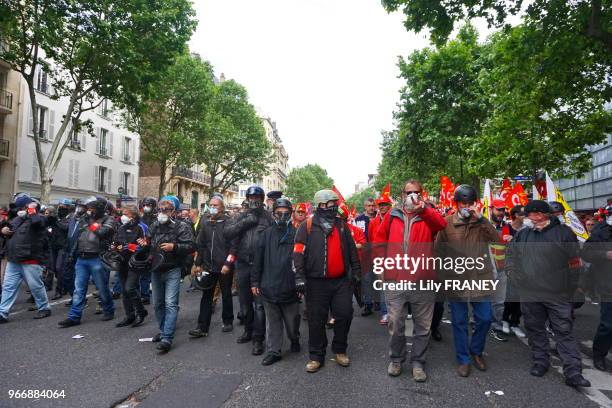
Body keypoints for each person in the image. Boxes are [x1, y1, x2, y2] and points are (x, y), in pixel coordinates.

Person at [506, 200, 591, 387]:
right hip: (530, 293)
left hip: (558, 294)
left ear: (548, 215)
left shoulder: (564, 233)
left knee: (564, 332)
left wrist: (573, 287)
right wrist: (514, 275)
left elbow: (575, 263)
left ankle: (573, 372)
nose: (534, 218)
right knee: (535, 330)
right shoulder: (523, 235)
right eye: (530, 215)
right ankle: (540, 362)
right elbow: (511, 256)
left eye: (538, 214)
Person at [375, 180, 447, 382]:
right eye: (409, 192)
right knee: (395, 324)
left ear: (421, 194)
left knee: (423, 326)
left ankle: (418, 363)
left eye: (416, 192)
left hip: (422, 280)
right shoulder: (392, 215)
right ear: (402, 194)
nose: (412, 195)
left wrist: (423, 209)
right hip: (395, 280)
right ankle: (396, 360)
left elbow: (441, 225)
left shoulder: (428, 214)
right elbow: (379, 241)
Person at [293, 189, 361, 373]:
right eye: (330, 204)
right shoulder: (306, 226)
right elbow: (298, 253)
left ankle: (339, 350)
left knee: (345, 314)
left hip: (340, 282)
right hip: (315, 283)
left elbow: (352, 250)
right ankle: (316, 356)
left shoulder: (341, 225)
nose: (333, 207)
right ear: (320, 205)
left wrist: (356, 271)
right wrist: (299, 276)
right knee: (316, 320)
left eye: (334, 204)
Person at [435, 184, 499, 378]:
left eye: (470, 203)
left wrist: (482, 220)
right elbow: (439, 252)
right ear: (456, 203)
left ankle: (476, 351)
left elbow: (497, 241)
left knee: (485, 318)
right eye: (463, 203)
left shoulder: (481, 222)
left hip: (481, 277)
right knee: (459, 321)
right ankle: (463, 359)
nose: (467, 206)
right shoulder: (445, 223)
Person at [251, 198, 301, 366]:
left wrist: (301, 283)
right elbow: (257, 260)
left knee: (292, 322)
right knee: (272, 323)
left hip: (290, 287)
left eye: (286, 214)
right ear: (273, 214)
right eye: (279, 213)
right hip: (269, 286)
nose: (282, 216)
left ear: (291, 215)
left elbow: (302, 261)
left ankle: (295, 339)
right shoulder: (265, 234)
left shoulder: (297, 234)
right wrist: (255, 282)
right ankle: (274, 350)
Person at [225, 186, 273, 356]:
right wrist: (246, 221)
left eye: (257, 197)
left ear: (262, 198)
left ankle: (258, 339)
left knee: (259, 305)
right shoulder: (241, 216)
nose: (254, 200)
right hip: (243, 265)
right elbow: (228, 233)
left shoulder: (269, 218)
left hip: (261, 268)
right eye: (251, 197)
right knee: (245, 304)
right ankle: (248, 330)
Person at [145, 195, 195, 353]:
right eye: (160, 209)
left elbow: (190, 246)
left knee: (171, 304)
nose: (162, 212)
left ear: (173, 211)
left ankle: (167, 337)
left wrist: (174, 247)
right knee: (158, 303)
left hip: (173, 268)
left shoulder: (182, 226)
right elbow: (149, 243)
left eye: (165, 209)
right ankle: (162, 330)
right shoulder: (154, 225)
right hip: (156, 268)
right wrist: (144, 245)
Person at [59, 196, 116, 327]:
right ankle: (74, 316)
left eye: (92, 208)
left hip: (97, 258)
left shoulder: (108, 219)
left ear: (99, 208)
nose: (89, 210)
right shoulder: (86, 219)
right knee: (79, 290)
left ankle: (108, 309)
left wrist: (89, 222)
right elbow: (79, 237)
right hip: (82, 258)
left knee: (102, 288)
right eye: (89, 208)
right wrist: (72, 254)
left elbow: (102, 232)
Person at [189, 196, 236, 338]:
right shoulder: (206, 223)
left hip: (224, 267)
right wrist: (198, 264)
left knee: (226, 293)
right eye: (211, 205)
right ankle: (202, 326)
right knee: (206, 295)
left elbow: (234, 246)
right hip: (209, 266)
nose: (213, 207)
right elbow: (201, 245)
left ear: (222, 207)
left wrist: (228, 264)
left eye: (215, 205)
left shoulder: (229, 223)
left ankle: (228, 321)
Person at [0, 194, 51, 322]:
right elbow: (9, 228)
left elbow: (38, 223)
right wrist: (4, 230)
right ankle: (3, 312)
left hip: (31, 259)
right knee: (8, 286)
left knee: (35, 286)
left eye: (21, 207)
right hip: (14, 259)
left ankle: (44, 308)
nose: (18, 210)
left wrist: (32, 211)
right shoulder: (17, 219)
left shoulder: (40, 217)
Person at [581, 205, 612, 371]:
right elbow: (586, 253)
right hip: (608, 284)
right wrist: (605, 255)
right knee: (608, 324)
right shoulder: (601, 233)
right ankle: (599, 354)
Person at [111, 205, 149, 328]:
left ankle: (141, 311)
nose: (123, 216)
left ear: (133, 215)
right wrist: (115, 247)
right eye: (123, 213)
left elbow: (145, 246)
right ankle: (129, 315)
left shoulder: (141, 227)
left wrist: (130, 247)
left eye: (126, 214)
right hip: (122, 262)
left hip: (135, 262)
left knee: (130, 288)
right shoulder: (121, 227)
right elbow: (116, 242)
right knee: (124, 290)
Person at [354, 198, 378, 318]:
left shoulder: (381, 218)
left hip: (379, 252)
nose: (371, 208)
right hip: (365, 254)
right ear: (365, 207)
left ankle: (378, 301)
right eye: (369, 205)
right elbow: (356, 236)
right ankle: (368, 304)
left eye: (373, 205)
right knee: (367, 279)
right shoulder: (359, 220)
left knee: (378, 278)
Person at [139, 196, 157, 305]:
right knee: (144, 274)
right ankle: (145, 296)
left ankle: (156, 294)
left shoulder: (157, 219)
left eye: (148, 205)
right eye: (144, 205)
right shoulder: (140, 219)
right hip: (143, 249)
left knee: (154, 274)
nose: (146, 207)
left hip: (154, 250)